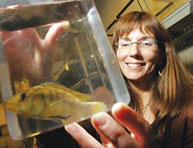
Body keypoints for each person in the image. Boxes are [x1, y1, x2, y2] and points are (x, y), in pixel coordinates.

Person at [64, 11, 193, 148]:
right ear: (116, 53)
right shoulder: (102, 99)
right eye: (125, 44)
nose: (134, 52)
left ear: (161, 55)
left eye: (146, 43)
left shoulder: (188, 102)